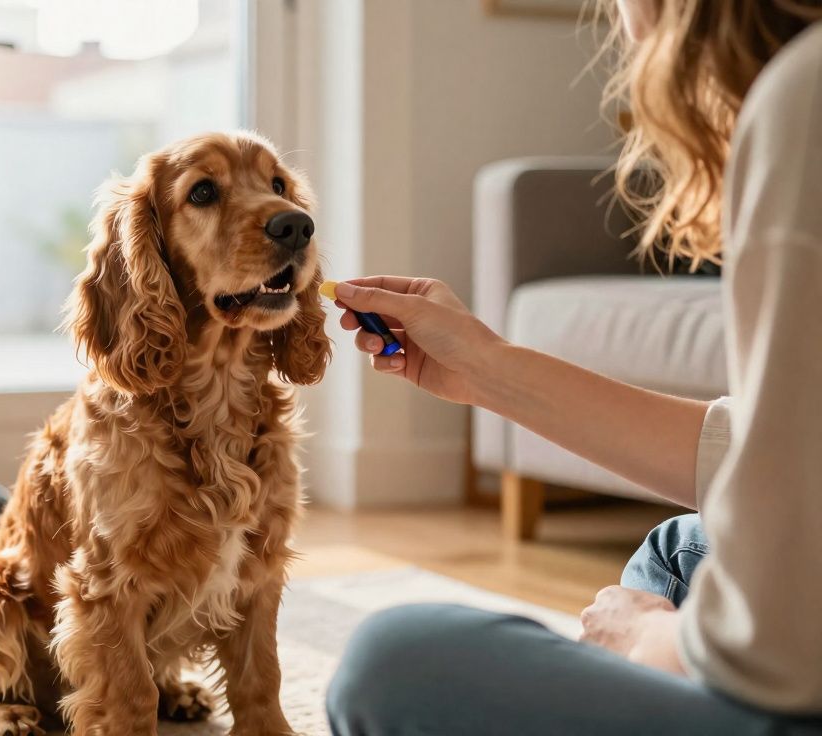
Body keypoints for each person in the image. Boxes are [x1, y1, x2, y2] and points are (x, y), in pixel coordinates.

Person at [324, 1, 822, 734]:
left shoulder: (803, 102)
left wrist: (643, 638)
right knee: (680, 548)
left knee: (393, 661)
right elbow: (778, 458)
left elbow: (784, 655)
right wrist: (490, 368)